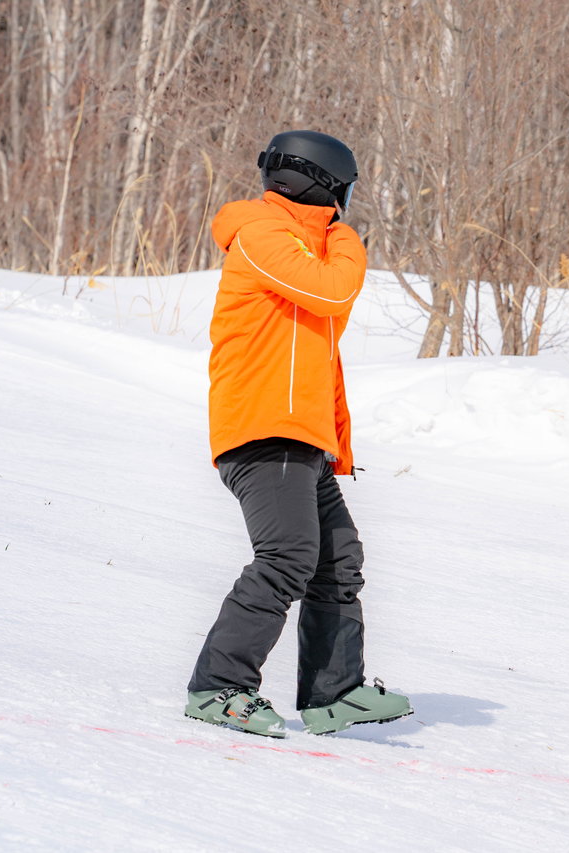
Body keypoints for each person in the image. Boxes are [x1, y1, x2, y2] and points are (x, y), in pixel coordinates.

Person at [185, 130, 412, 738]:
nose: (346, 206)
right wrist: (343, 234)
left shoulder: (304, 243)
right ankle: (219, 688)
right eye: (344, 193)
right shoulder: (260, 235)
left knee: (338, 560)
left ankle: (332, 695)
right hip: (264, 431)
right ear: (327, 184)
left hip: (303, 439)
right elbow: (334, 290)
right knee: (287, 557)